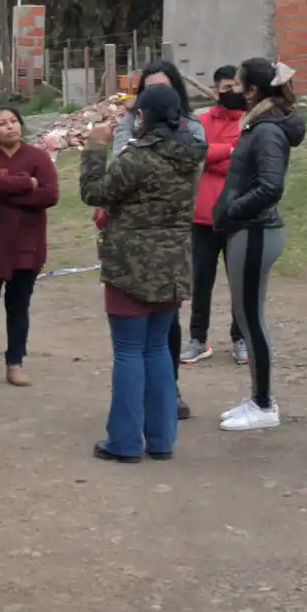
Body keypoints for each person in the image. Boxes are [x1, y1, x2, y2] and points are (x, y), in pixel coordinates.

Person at [80, 85, 204, 463]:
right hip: (173, 264)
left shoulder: (138, 157)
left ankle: (125, 442)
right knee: (157, 350)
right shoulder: (190, 156)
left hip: (131, 266)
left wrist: (95, 148)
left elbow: (95, 193)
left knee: (129, 351)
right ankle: (162, 439)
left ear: (144, 117)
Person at [213, 58, 306, 432]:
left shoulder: (266, 130)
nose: (230, 90)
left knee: (251, 319)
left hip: (254, 232)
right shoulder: (260, 123)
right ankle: (257, 396)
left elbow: (270, 186)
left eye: (236, 84)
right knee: (249, 317)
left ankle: (264, 403)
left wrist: (233, 212)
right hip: (248, 231)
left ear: (251, 90)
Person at [111, 61, 207, 420]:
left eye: (162, 87)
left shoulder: (192, 130)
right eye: (148, 89)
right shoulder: (129, 129)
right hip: (135, 240)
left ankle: (165, 395)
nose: (154, 95)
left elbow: (105, 184)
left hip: (168, 235)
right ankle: (151, 408)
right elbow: (118, 168)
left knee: (151, 334)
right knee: (141, 334)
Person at [0, 106, 60, 388]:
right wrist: (26, 183)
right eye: (3, 123)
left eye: (14, 121)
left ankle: (15, 363)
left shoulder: (37, 156)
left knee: (18, 308)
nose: (10, 127)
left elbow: (50, 194)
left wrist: (5, 194)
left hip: (25, 246)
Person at [180, 66, 248, 366]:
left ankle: (241, 338)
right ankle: (198, 339)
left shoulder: (251, 121)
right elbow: (194, 153)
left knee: (240, 282)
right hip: (203, 216)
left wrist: (216, 155)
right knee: (201, 281)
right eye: (223, 86)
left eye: (234, 86)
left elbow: (243, 162)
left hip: (237, 215)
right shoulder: (202, 119)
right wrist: (228, 150)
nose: (227, 91)